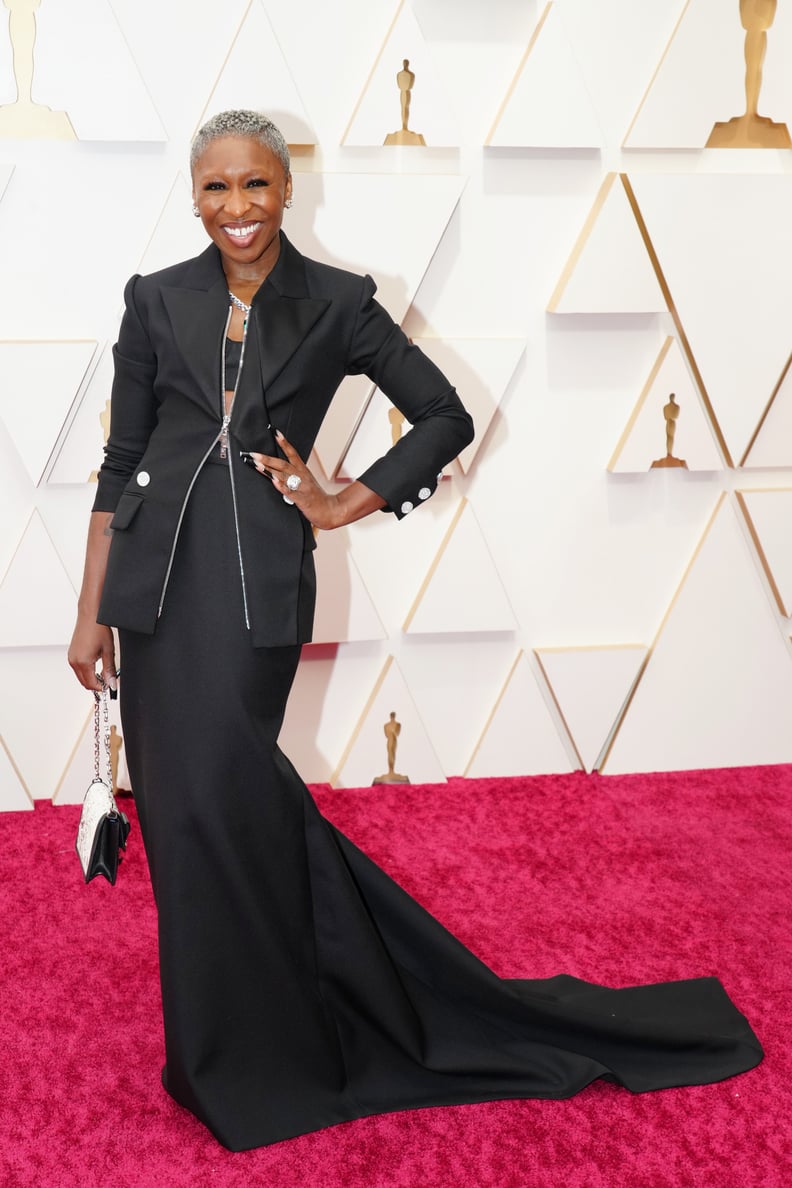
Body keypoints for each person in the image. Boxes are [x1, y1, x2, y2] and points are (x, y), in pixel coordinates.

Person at [68, 110, 762, 1153]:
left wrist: (349, 499)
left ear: (288, 185)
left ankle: (292, 1035)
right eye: (215, 189)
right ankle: (223, 1042)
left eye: (255, 185)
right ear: (194, 193)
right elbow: (121, 459)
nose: (237, 209)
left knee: (232, 796)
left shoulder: (339, 303)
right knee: (184, 817)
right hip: (152, 593)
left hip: (256, 588)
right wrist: (88, 612)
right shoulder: (154, 299)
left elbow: (443, 413)